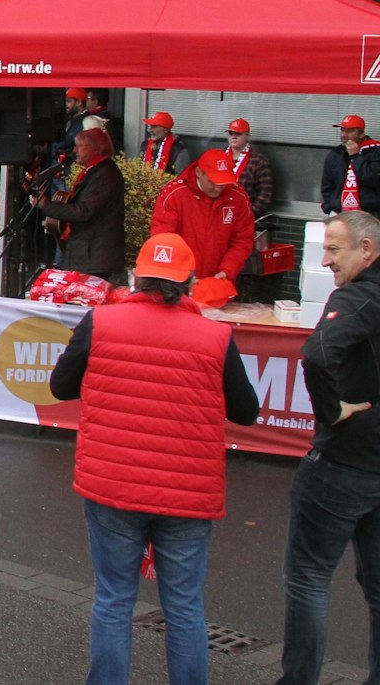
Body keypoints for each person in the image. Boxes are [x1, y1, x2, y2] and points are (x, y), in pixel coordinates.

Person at [49, 234, 261, 685]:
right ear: (187, 282)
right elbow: (246, 410)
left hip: (113, 483)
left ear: (137, 278)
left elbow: (61, 387)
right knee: (184, 606)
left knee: (113, 600)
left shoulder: (99, 322)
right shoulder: (216, 336)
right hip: (187, 489)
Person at [278, 211, 380, 684]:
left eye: (334, 249)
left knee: (308, 579)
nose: (326, 260)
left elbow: (316, 353)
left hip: (344, 463)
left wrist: (332, 410)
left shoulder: (360, 296)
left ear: (367, 249)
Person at [34, 128, 127, 282]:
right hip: (87, 253)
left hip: (95, 256)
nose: (74, 150)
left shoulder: (105, 174)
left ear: (96, 147)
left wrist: (46, 205)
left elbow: (84, 211)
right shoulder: (95, 170)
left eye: (79, 146)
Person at [149, 150, 254, 285]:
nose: (218, 188)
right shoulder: (175, 194)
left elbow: (242, 240)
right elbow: (162, 238)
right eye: (213, 182)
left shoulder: (238, 197)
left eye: (223, 183)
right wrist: (180, 273)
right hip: (179, 283)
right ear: (199, 172)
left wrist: (227, 271)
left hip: (219, 284)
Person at [320, 114, 380, 215]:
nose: (343, 135)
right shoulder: (335, 154)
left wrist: (355, 157)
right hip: (339, 212)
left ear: (361, 134)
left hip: (368, 214)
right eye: (342, 130)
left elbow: (373, 179)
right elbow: (327, 185)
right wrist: (330, 207)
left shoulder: (375, 152)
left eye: (349, 131)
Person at [140, 111, 188, 177]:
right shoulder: (145, 145)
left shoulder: (178, 150)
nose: (150, 130)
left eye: (155, 126)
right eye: (150, 126)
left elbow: (182, 178)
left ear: (166, 130)